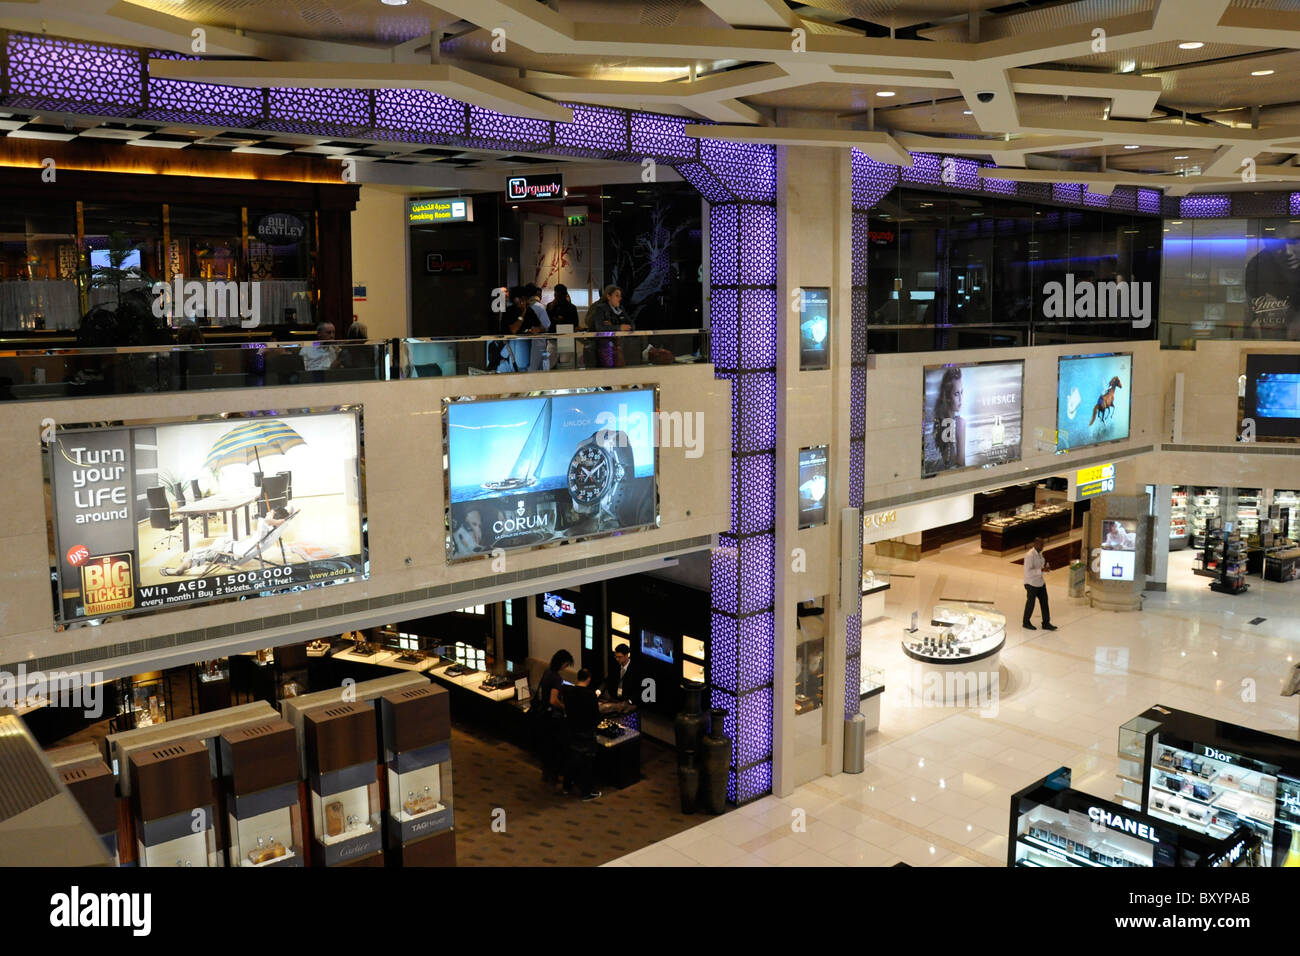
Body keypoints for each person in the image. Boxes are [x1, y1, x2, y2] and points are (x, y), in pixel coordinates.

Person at [160, 507, 291, 576]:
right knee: (214, 545)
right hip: (232, 548)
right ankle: (190, 557)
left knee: (198, 555)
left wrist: (278, 520)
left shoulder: (264, 529)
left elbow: (265, 520)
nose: (267, 513)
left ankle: (179, 569)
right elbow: (290, 508)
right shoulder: (273, 531)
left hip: (230, 554)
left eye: (270, 513)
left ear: (275, 519)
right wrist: (284, 519)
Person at [1244, 221, 1300, 339]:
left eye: (1295, 241)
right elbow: (1251, 319)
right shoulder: (1258, 266)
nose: (1288, 251)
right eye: (1279, 244)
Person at [536, 649, 573, 791]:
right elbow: (553, 700)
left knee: (546, 746)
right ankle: (554, 775)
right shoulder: (557, 678)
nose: (566, 667)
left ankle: (546, 773)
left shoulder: (547, 672)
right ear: (562, 663)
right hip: (552, 718)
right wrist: (564, 707)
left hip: (543, 715)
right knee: (556, 747)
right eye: (567, 664)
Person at [562, 668, 602, 801]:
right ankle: (586, 792)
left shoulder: (568, 691)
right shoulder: (590, 695)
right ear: (588, 679)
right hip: (586, 734)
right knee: (587, 763)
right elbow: (596, 716)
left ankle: (566, 786)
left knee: (571, 760)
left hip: (571, 731)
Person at [587, 284, 631, 368]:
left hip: (616, 344)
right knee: (608, 367)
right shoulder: (599, 308)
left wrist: (620, 327)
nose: (620, 298)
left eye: (620, 296)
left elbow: (631, 324)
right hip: (603, 345)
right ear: (608, 296)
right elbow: (599, 327)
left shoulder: (619, 308)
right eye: (617, 295)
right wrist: (619, 327)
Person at [932, 366, 965, 471]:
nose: (961, 399)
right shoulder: (956, 423)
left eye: (962, 392)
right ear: (948, 397)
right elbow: (958, 464)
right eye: (956, 394)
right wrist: (961, 429)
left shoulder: (940, 421)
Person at [1022, 536, 1056, 631]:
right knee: (1031, 603)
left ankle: (1046, 623)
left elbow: (1041, 568)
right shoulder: (1030, 555)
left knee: (1044, 602)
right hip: (1031, 583)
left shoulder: (1040, 554)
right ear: (1035, 544)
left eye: (1043, 545)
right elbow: (1028, 572)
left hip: (1040, 583)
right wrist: (1041, 570)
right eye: (1041, 545)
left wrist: (1045, 569)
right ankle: (1026, 622)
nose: (1042, 546)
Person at [520, 283, 553, 371]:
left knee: (527, 367)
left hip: (525, 342)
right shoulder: (539, 307)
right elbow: (547, 325)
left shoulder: (523, 307)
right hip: (538, 343)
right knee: (536, 369)